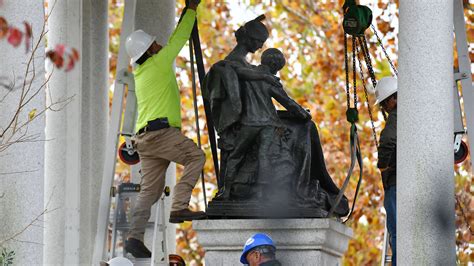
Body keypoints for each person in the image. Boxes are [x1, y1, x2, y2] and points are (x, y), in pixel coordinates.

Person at [123, 0, 206, 258]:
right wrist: (191, 9)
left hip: (145, 140)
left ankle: (134, 237)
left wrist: (185, 14)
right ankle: (179, 206)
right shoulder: (159, 62)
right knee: (196, 156)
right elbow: (179, 38)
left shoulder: (142, 73)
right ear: (149, 50)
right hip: (161, 134)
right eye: (154, 44)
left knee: (150, 191)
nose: (158, 45)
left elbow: (174, 37)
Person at [220, 48, 310, 198]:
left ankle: (226, 191)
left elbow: (230, 69)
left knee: (236, 156)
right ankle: (262, 193)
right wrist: (303, 114)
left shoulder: (248, 73)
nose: (276, 72)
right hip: (268, 124)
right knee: (265, 155)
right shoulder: (270, 79)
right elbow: (287, 102)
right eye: (278, 68)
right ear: (274, 64)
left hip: (248, 122)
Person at [375, 76, 397, 265]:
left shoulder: (396, 117)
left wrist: (383, 164)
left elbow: (388, 141)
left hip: (395, 184)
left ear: (393, 99)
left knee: (397, 233)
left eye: (384, 103)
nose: (384, 108)